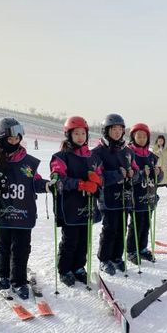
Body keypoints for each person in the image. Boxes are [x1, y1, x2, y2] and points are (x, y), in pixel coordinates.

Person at [0, 118, 53, 299]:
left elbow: (34, 181)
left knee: (21, 248)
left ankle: (19, 280)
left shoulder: (28, 162)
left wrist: (47, 186)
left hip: (23, 213)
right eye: (10, 139)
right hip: (2, 212)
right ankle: (2, 276)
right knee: (3, 247)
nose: (14, 142)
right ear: (0, 139)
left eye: (17, 138)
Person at [50, 116, 102, 287]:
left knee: (83, 239)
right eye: (76, 133)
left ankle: (79, 266)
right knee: (70, 239)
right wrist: (80, 184)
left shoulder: (92, 157)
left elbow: (101, 176)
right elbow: (58, 180)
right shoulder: (61, 157)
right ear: (68, 135)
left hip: (86, 206)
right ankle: (65, 269)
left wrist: (97, 181)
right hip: (70, 206)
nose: (80, 137)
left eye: (83, 133)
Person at [91, 114, 140, 276]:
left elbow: (136, 173)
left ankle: (117, 257)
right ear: (106, 131)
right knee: (110, 228)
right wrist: (117, 175)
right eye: (114, 129)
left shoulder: (127, 151)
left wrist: (133, 174)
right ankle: (104, 259)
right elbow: (98, 177)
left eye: (120, 129)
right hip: (108, 198)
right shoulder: (98, 152)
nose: (117, 132)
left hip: (124, 197)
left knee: (121, 228)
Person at [126, 123, 161, 264]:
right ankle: (131, 250)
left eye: (144, 136)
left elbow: (157, 178)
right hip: (136, 196)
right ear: (133, 137)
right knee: (136, 223)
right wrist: (140, 173)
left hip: (149, 195)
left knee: (146, 223)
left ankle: (142, 248)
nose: (141, 139)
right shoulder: (129, 154)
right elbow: (129, 175)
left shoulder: (152, 156)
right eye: (138, 136)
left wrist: (159, 173)